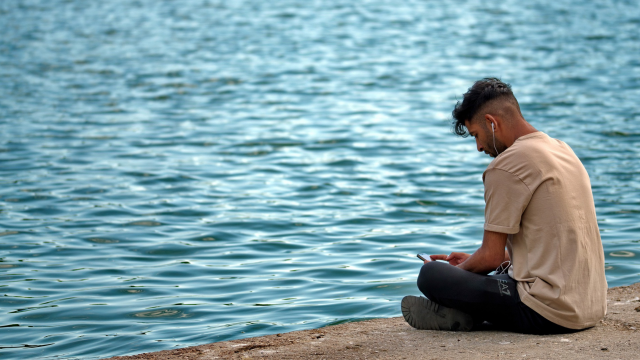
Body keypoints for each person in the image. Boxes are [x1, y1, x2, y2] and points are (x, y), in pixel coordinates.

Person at [401, 78, 607, 334]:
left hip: (549, 313)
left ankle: (466, 314)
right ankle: (465, 314)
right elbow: (553, 243)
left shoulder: (507, 165)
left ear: (491, 122)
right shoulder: (562, 150)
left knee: (431, 274)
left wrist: (462, 274)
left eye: (476, 135)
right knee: (491, 278)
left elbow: (491, 256)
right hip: (590, 305)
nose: (478, 147)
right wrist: (472, 265)